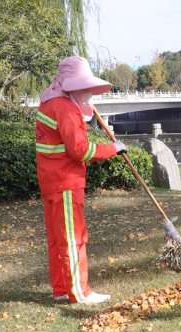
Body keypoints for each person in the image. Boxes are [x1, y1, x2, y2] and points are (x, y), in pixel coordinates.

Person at [36, 56, 127, 304]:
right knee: (74, 237)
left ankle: (62, 289)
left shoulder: (49, 104)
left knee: (57, 240)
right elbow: (80, 150)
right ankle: (80, 292)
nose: (88, 92)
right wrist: (113, 149)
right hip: (66, 181)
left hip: (51, 181)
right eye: (84, 87)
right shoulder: (65, 108)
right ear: (73, 86)